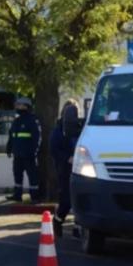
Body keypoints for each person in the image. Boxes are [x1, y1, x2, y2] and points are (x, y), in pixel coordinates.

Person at [51, 99, 80, 235]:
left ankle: (77, 227)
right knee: (66, 201)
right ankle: (57, 221)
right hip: (65, 168)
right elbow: (54, 148)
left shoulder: (80, 128)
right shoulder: (59, 130)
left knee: (79, 200)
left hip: (80, 168)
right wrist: (67, 158)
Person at [6, 97, 42, 203]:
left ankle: (34, 197)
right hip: (17, 154)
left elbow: (37, 137)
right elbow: (12, 135)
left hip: (29, 154)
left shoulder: (32, 120)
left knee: (32, 176)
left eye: (19, 105)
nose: (17, 107)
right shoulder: (16, 121)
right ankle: (17, 195)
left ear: (26, 106)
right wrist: (9, 148)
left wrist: (34, 151)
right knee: (17, 175)